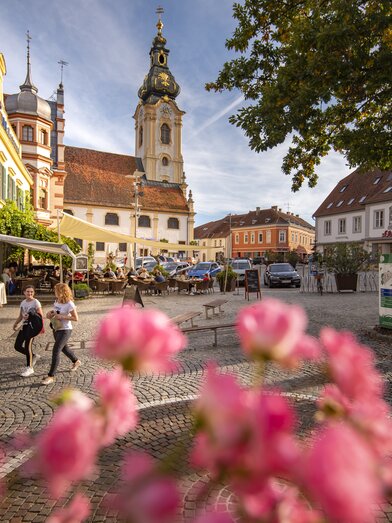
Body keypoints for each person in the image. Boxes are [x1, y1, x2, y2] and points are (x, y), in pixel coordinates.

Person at [44, 283, 81, 385]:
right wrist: (50, 314)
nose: (54, 292)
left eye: (56, 290)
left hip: (65, 330)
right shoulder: (56, 301)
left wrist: (62, 316)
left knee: (56, 350)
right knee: (64, 348)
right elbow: (55, 312)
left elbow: (75, 318)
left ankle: (51, 376)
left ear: (62, 291)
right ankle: (76, 361)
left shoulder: (70, 304)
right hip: (56, 328)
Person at [13, 285, 43, 377]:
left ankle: (30, 368)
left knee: (27, 347)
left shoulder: (36, 302)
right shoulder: (23, 303)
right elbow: (21, 315)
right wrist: (16, 323)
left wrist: (30, 316)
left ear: (33, 293)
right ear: (24, 292)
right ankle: (33, 356)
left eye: (31, 292)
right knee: (17, 346)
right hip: (24, 326)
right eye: (28, 291)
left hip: (32, 328)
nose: (30, 293)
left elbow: (40, 316)